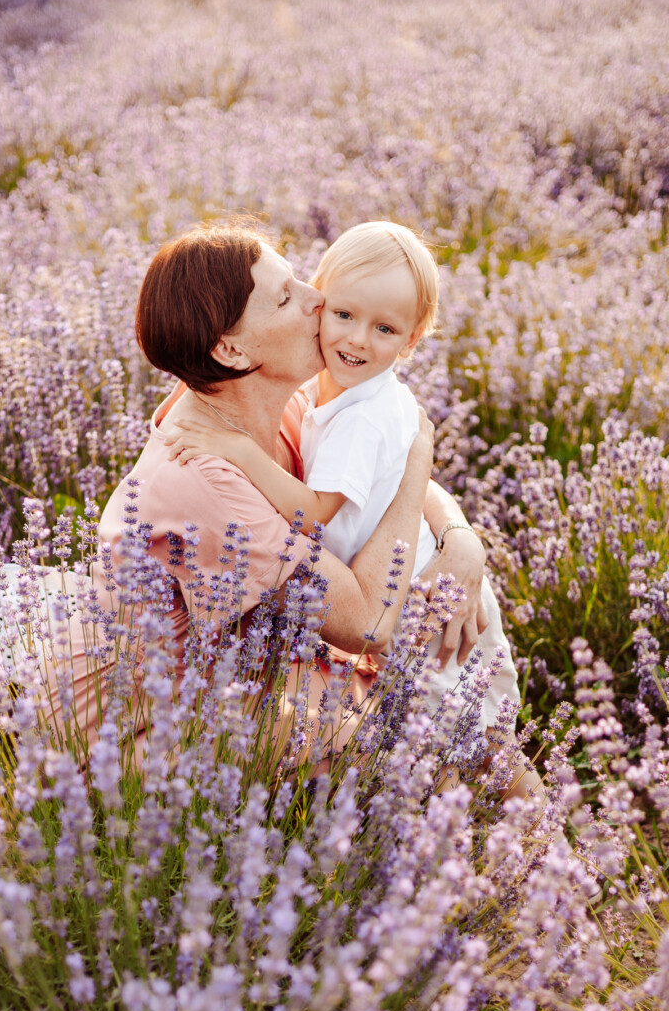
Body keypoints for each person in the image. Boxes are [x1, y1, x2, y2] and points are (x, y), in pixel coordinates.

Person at [0, 223, 490, 776]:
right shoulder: (205, 476)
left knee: (456, 738)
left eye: (299, 279)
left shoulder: (267, 397)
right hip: (140, 739)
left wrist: (463, 541)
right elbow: (368, 623)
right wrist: (420, 456)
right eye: (285, 296)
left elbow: (371, 482)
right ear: (230, 348)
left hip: (239, 674)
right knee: (436, 756)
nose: (318, 299)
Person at [163, 221, 544, 798]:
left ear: (411, 341)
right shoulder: (321, 390)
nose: (358, 339)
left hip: (424, 597)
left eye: (384, 328)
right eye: (340, 312)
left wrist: (463, 538)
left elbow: (318, 513)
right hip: (392, 599)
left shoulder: (356, 411)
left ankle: (551, 872)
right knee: (460, 754)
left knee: (474, 749)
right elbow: (396, 476)